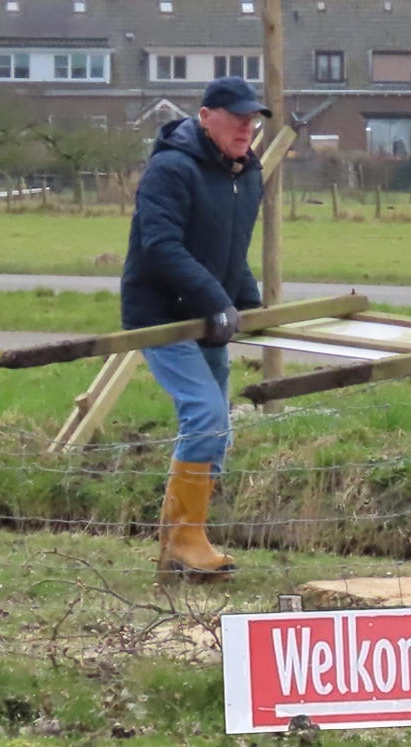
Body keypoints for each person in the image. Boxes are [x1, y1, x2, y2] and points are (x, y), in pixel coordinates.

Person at [121, 76, 272, 583]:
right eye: (236, 118)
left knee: (218, 426)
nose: (246, 128)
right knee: (205, 415)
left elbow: (230, 249)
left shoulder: (247, 174)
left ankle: (184, 542)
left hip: (211, 315)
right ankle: (184, 540)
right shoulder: (171, 169)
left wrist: (246, 298)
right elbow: (161, 246)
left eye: (252, 120)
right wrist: (217, 299)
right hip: (161, 314)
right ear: (205, 117)